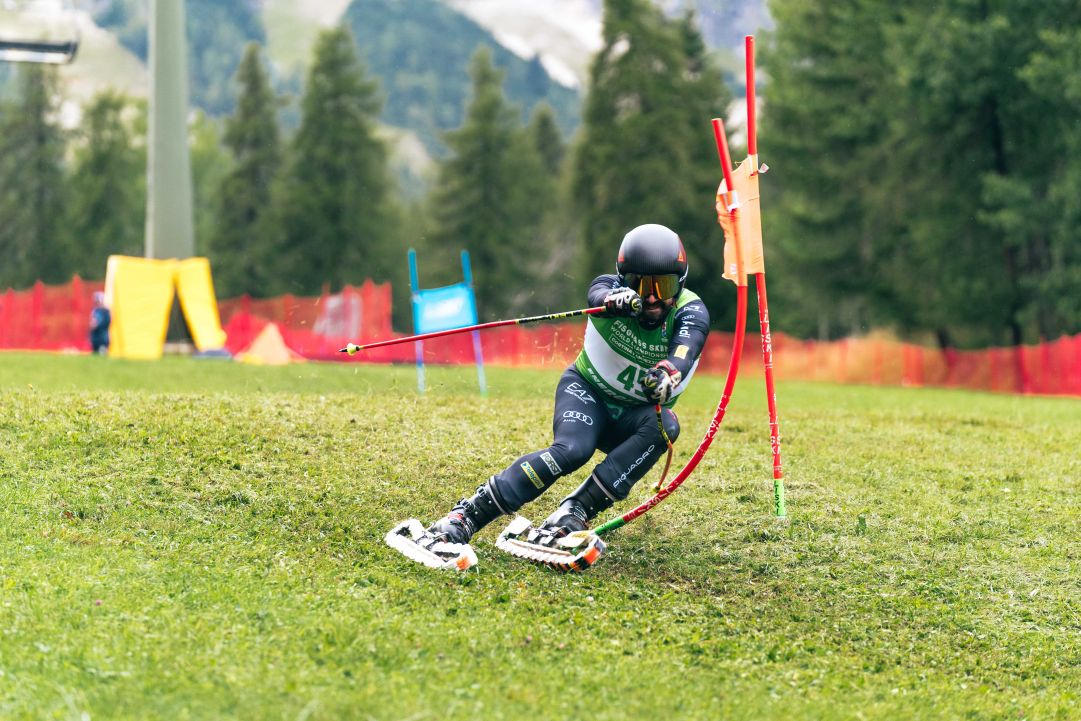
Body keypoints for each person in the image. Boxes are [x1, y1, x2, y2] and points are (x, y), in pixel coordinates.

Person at [421, 223, 711, 553]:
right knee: (573, 451)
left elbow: (686, 348)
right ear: (624, 280)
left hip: (634, 417)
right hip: (588, 393)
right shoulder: (609, 292)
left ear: (681, 282)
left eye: (665, 286)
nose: (653, 298)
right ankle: (466, 515)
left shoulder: (691, 311)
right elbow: (597, 292)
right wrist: (613, 301)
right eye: (641, 285)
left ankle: (574, 512)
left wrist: (667, 373)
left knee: (665, 425)